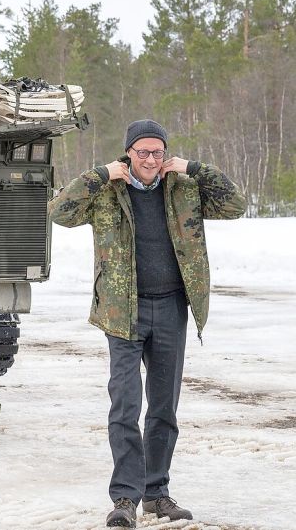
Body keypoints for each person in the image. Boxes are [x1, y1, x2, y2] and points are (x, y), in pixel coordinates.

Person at [48, 119, 246, 528]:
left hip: (171, 308)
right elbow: (59, 212)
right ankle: (125, 497)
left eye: (158, 152)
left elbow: (236, 204)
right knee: (125, 405)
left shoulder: (184, 189)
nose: (151, 160)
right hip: (122, 311)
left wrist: (194, 168)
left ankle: (157, 494)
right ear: (129, 153)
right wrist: (100, 174)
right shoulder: (107, 190)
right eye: (143, 152)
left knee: (163, 409)